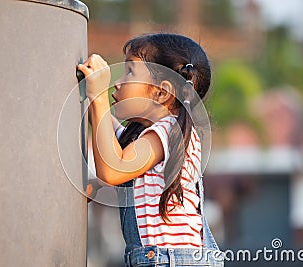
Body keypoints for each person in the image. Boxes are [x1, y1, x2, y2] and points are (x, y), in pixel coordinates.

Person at [78, 33, 223, 267]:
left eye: (130, 71)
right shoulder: (147, 136)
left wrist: (98, 96)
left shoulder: (169, 130)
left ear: (161, 92)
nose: (118, 81)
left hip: (171, 260)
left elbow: (113, 169)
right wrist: (88, 100)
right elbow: (107, 138)